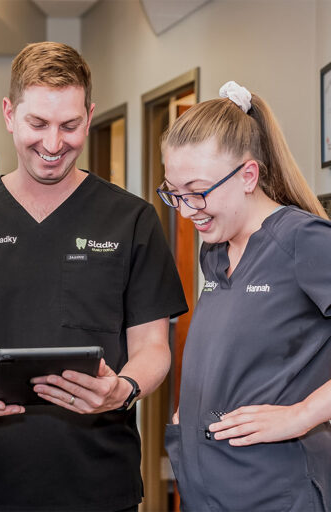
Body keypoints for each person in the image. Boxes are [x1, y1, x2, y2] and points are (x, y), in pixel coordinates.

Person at [0, 41, 188, 511]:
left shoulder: (131, 221)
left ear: (89, 116)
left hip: (98, 486)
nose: (53, 144)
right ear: (10, 114)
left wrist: (125, 387)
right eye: (38, 124)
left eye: (69, 125)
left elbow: (153, 346)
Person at [160, 81, 331, 511]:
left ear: (249, 176)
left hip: (276, 491)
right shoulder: (215, 250)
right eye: (174, 193)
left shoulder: (303, 241)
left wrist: (303, 414)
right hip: (211, 490)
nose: (185, 210)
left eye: (197, 192)